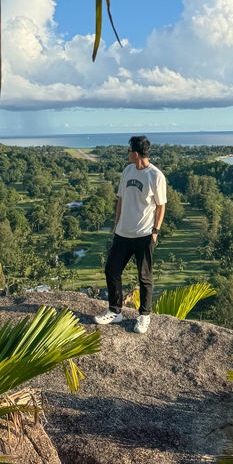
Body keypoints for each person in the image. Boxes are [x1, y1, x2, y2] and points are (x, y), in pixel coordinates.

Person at [94, 135, 166, 334]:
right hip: (123, 234)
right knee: (112, 269)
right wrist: (116, 227)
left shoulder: (156, 176)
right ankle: (115, 311)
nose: (127, 154)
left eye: (128, 151)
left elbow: (161, 206)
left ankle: (144, 316)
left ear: (135, 153)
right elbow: (120, 201)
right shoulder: (127, 171)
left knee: (144, 277)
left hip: (143, 235)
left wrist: (155, 232)